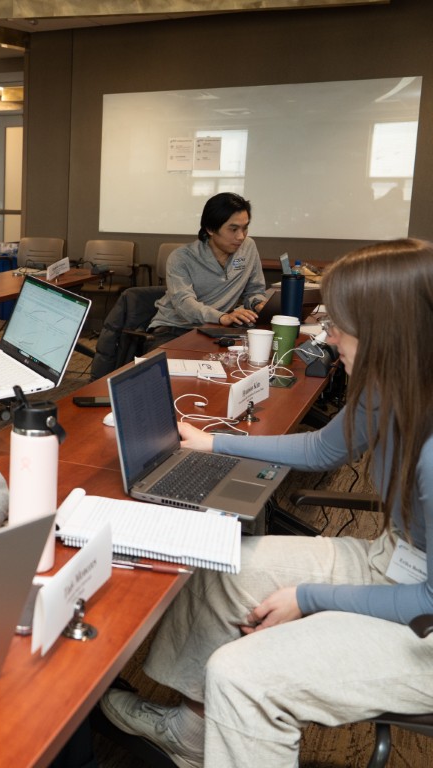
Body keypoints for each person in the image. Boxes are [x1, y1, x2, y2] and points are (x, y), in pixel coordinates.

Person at [99, 238, 433, 768]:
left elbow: (429, 602)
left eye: (339, 325)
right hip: (395, 564)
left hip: (426, 626)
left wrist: (310, 597)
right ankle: (193, 734)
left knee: (242, 676)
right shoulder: (392, 385)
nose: (328, 336)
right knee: (224, 566)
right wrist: (214, 443)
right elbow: (323, 449)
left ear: (387, 332)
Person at [147, 192, 268, 348]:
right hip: (174, 328)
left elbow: (254, 291)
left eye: (245, 228)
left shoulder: (248, 247)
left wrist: (258, 304)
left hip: (216, 328)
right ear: (210, 229)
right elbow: (184, 303)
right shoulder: (181, 258)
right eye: (233, 229)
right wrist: (222, 317)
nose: (241, 236)